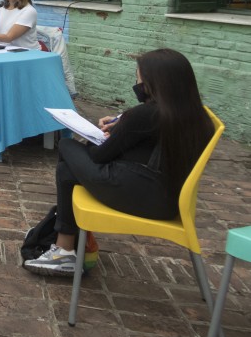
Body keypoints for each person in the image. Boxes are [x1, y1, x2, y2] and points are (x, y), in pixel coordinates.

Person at [24, 48, 214, 276]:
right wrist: (123, 127)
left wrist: (107, 134)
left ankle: (65, 248)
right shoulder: (197, 117)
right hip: (169, 200)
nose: (137, 83)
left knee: (67, 147)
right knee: (67, 171)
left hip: (141, 195)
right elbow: (151, 144)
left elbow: (98, 156)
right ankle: (66, 245)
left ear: (154, 84)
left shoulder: (145, 115)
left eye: (139, 78)